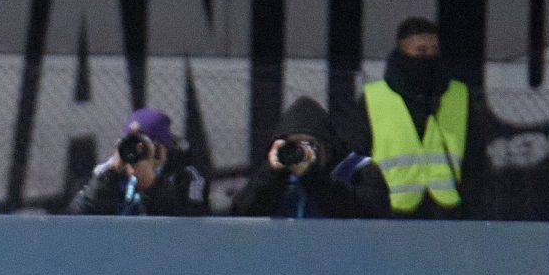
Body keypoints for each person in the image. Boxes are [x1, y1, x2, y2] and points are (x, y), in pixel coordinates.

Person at [340, 16, 482, 218]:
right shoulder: (374, 98)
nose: (429, 56)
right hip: (390, 210)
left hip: (448, 210)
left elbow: (475, 157)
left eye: (434, 49)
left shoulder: (459, 95)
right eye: (421, 50)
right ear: (402, 52)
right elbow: (356, 153)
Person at [230, 96, 390, 219]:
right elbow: (243, 217)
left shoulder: (360, 171)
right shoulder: (278, 177)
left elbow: (368, 213)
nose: (301, 153)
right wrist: (271, 175)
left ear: (328, 145)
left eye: (309, 145)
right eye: (294, 145)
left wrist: (314, 177)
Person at [67, 106, 208, 217]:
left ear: (162, 151)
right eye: (131, 142)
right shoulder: (108, 174)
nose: (136, 151)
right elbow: (73, 221)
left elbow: (190, 225)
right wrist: (109, 178)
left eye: (143, 146)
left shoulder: (186, 176)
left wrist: (152, 187)